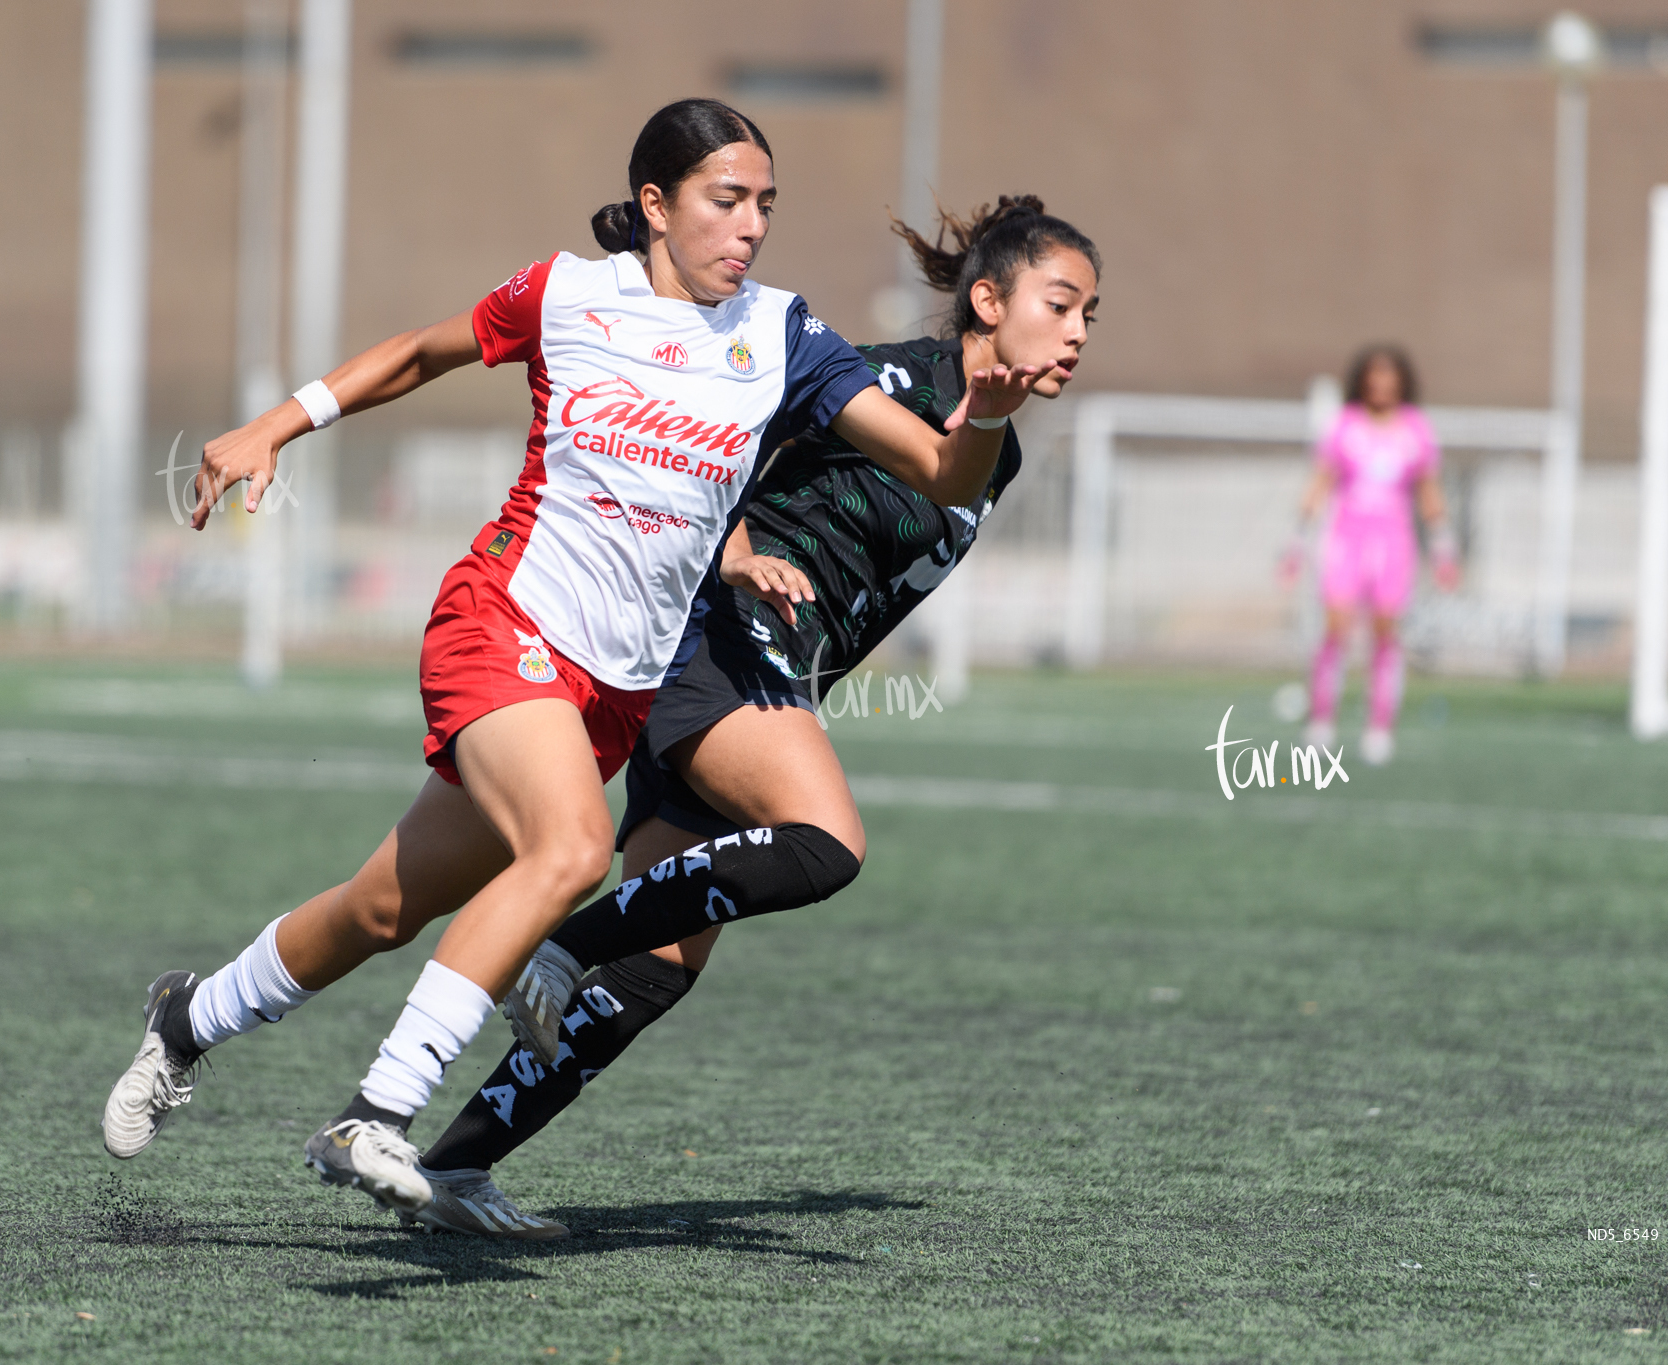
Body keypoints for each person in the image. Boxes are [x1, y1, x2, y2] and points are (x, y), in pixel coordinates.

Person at [100, 100, 1055, 1229]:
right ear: (654, 206)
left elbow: (942, 472)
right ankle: (377, 1111)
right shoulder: (568, 293)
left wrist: (982, 420)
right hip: (503, 617)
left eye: (763, 206)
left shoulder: (783, 337)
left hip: (613, 690)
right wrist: (276, 423)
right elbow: (418, 354)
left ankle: (187, 1019)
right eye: (723, 200)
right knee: (570, 847)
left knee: (378, 909)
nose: (748, 227)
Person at [397, 197, 1100, 1236]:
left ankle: (452, 1171)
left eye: (1091, 312)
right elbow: (697, 437)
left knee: (657, 971)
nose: (1080, 330)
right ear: (987, 302)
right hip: (713, 648)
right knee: (825, 844)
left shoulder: (995, 456)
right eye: (1062, 303)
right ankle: (557, 944)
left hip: (772, 680)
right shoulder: (886, 381)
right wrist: (727, 554)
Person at [1283, 345, 1457, 766]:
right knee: (1337, 626)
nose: (1380, 384)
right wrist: (1296, 543)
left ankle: (1380, 726)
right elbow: (1320, 484)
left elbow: (1429, 492)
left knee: (1386, 630)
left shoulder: (1415, 429)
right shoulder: (1345, 425)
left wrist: (1443, 548)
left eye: (1389, 376)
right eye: (1373, 376)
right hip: (1347, 538)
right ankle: (1322, 718)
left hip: (1393, 542)